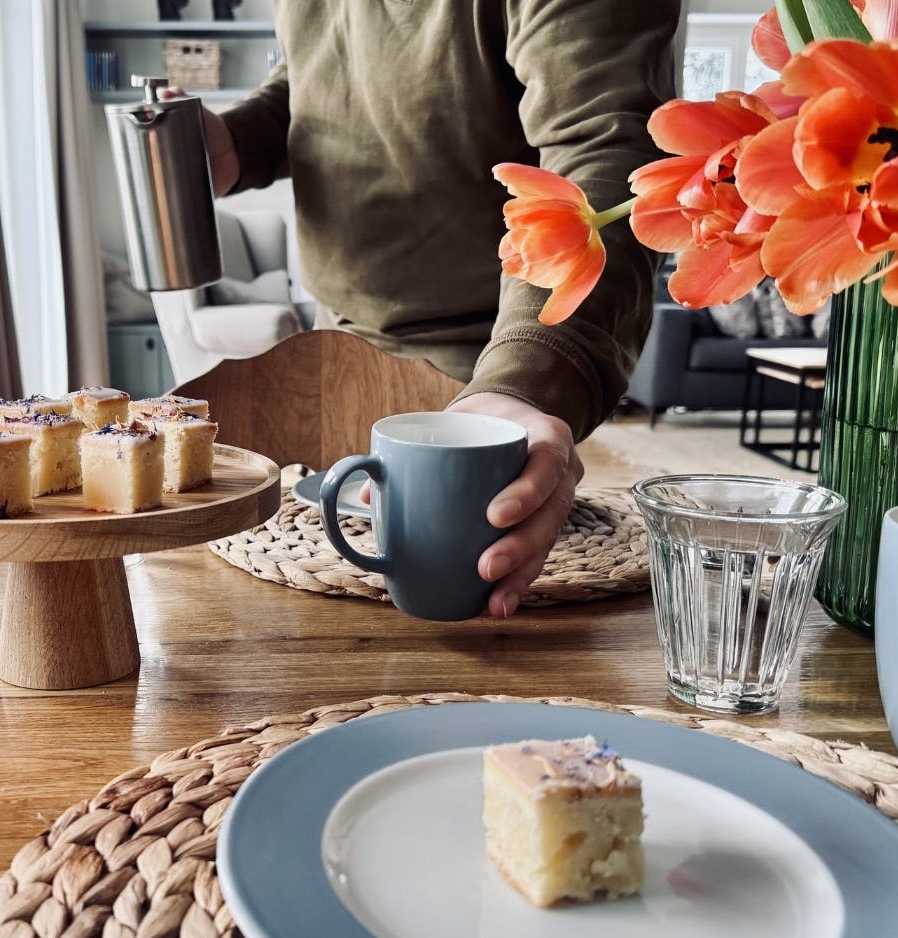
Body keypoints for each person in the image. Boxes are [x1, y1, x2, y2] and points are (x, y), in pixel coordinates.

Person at [168, 1, 678, 618]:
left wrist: (526, 380)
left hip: (483, 375)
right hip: (333, 356)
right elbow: (317, 70)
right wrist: (242, 140)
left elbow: (607, 140)